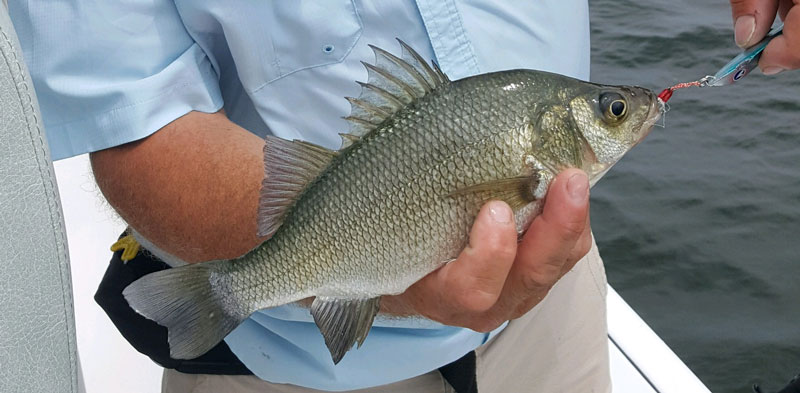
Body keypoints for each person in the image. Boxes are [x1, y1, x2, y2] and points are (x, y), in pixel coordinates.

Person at [9, 0, 798, 392]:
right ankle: (229, 290)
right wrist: (386, 274)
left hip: (556, 304)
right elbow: (132, 125)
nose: (625, 115)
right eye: (612, 111)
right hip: (298, 360)